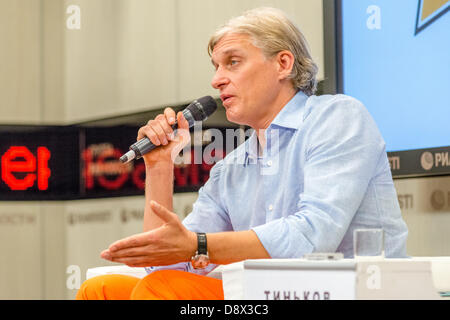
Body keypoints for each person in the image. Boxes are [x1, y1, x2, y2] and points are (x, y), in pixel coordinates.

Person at [76, 7, 408, 300]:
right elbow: (166, 262)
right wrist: (159, 166)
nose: (217, 79)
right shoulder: (230, 168)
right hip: (258, 297)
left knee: (159, 292)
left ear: (283, 63)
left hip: (340, 292)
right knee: (101, 291)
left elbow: (311, 237)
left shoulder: (338, 118)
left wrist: (200, 245)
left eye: (232, 62)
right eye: (216, 66)